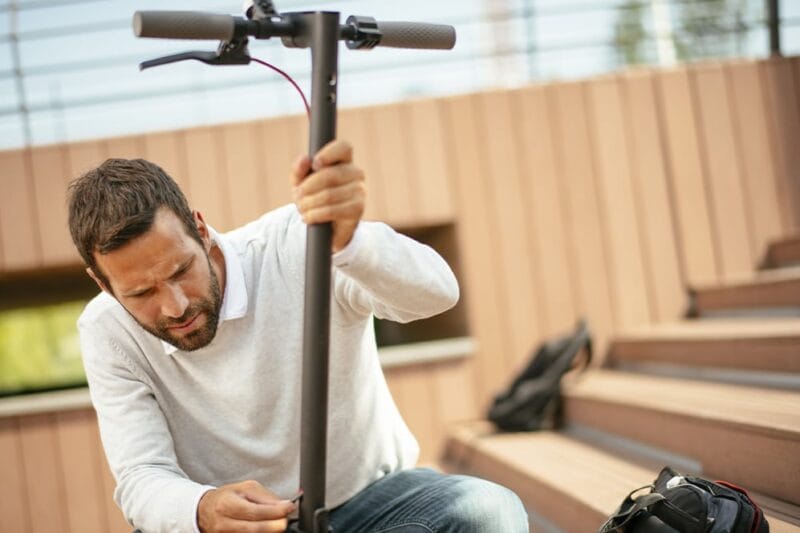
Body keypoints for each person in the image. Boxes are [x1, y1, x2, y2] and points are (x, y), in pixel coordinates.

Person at [68, 139, 528, 533]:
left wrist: (352, 245)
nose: (175, 306)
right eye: (141, 292)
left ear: (201, 229)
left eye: (181, 270)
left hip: (371, 506)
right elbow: (142, 476)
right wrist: (201, 509)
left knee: (487, 512)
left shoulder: (296, 245)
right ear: (103, 284)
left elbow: (437, 294)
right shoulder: (107, 332)